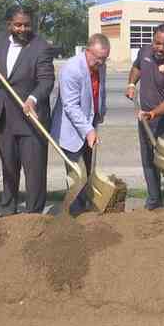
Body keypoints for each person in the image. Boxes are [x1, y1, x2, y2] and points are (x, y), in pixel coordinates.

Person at [0, 6, 55, 214]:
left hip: (31, 120)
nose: (22, 29)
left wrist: (33, 99)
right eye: (18, 25)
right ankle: (8, 211)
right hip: (4, 118)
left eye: (26, 24)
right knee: (8, 169)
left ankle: (34, 217)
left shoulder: (41, 47)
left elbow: (46, 81)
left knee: (34, 172)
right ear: (9, 24)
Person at [125, 24, 164, 210]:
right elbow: (137, 67)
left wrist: (152, 113)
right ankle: (153, 200)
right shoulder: (145, 51)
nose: (160, 48)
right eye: (157, 43)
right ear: (153, 40)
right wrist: (131, 84)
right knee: (148, 160)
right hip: (146, 117)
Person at [50, 34, 109, 215]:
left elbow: (99, 91)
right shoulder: (71, 69)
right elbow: (70, 106)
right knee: (77, 176)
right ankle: (75, 216)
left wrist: (100, 113)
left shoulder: (100, 66)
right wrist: (88, 130)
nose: (101, 63)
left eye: (104, 59)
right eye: (98, 59)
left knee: (89, 171)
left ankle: (87, 208)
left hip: (89, 125)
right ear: (87, 51)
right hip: (71, 130)